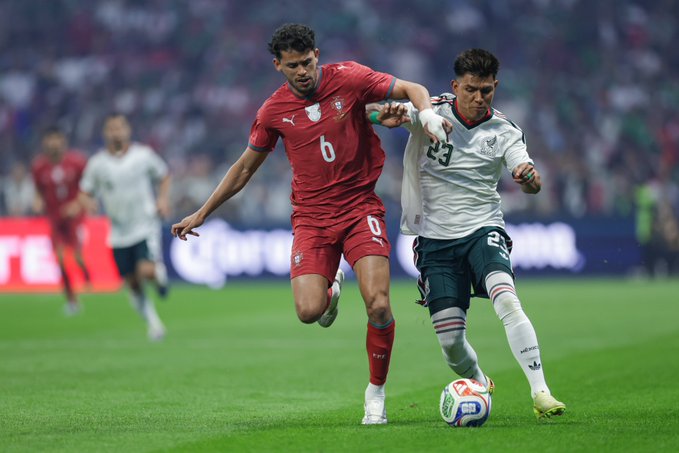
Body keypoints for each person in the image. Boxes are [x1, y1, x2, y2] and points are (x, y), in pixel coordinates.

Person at [171, 23, 448, 425]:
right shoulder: (272, 112)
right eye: (292, 66)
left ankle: (376, 393)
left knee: (379, 303)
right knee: (308, 311)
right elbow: (244, 168)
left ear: (316, 55)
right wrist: (202, 213)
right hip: (312, 219)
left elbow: (412, 88)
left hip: (359, 208)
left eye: (306, 62)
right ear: (278, 66)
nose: (302, 71)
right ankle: (331, 287)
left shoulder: (349, 77)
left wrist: (427, 115)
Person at [374, 48, 566, 419]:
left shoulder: (505, 131)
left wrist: (529, 179)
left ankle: (541, 392)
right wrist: (384, 115)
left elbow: (529, 179)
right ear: (455, 86)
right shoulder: (431, 112)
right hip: (435, 239)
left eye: (486, 91)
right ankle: (479, 382)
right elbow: (372, 112)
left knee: (507, 300)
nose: (479, 98)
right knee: (451, 343)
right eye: (471, 89)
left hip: (483, 228)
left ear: (495, 87)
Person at [79, 113, 171, 341]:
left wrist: (162, 199)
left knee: (145, 271)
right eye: (111, 129)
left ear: (128, 130)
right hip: (118, 232)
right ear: (105, 133)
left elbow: (164, 175)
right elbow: (84, 192)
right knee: (133, 284)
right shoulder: (97, 164)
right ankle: (154, 324)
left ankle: (158, 274)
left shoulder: (143, 155)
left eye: (119, 128)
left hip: (145, 225)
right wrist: (88, 203)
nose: (116, 133)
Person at [31, 127, 90, 315]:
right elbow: (38, 190)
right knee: (60, 259)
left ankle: (88, 277)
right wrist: (38, 201)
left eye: (57, 139)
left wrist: (77, 204)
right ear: (45, 142)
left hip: (75, 218)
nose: (54, 143)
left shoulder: (77, 163)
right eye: (50, 139)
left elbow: (88, 188)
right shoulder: (39, 167)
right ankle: (72, 300)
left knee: (77, 258)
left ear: (63, 141)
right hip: (55, 220)